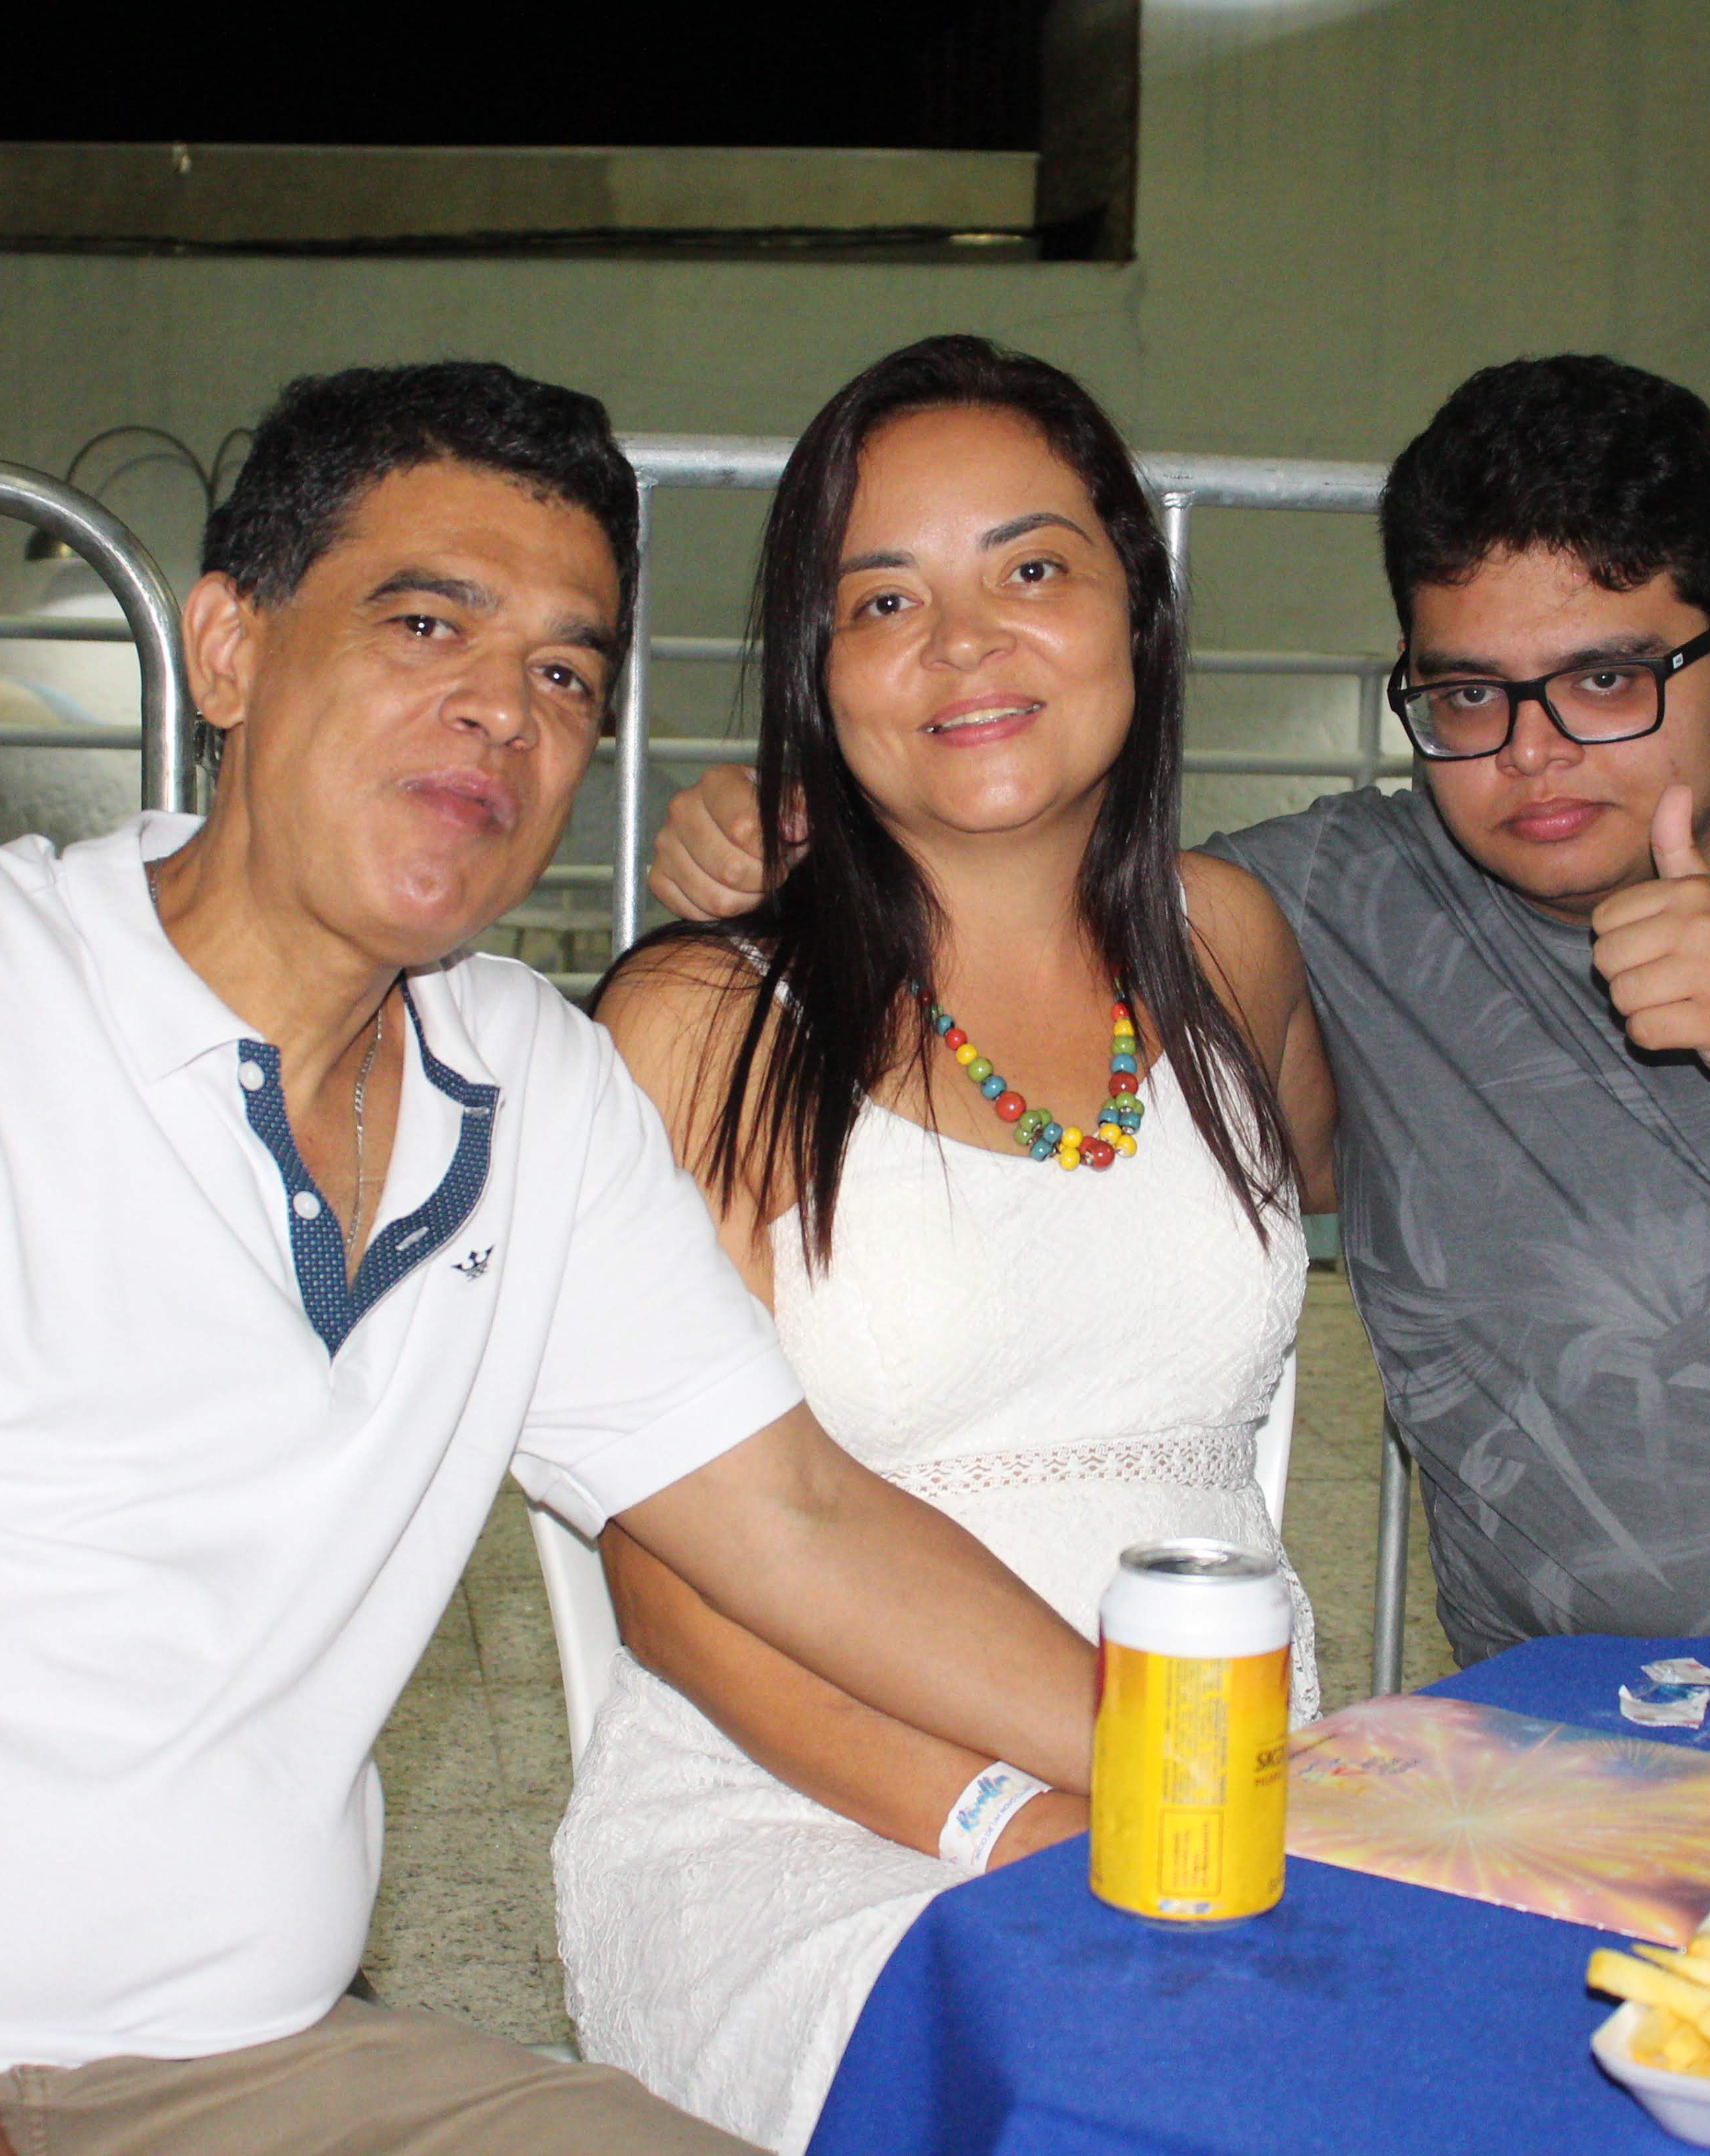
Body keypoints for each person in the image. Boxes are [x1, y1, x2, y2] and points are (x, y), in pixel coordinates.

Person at [0, 362, 1104, 2156]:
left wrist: (1200, 1761)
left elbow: (798, 1518)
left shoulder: (532, 1084)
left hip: (242, 2061)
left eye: (565, 674)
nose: (499, 710)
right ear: (227, 650)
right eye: (425, 623)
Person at [646, 353, 1710, 1670]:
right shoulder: (1326, 906)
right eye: (1467, 694)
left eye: (1605, 680)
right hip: (1585, 1743)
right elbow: (1025, 900)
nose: (1531, 754)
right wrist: (784, 836)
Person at [551, 335, 1327, 2151]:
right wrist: (1015, 1819)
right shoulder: (701, 1024)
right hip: (831, 1813)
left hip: (1242, 1780)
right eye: (883, 599)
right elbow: (672, 1585)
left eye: (1030, 568)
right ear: (817, 674)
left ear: (1137, 607)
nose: (964, 644)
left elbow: (1272, 1195)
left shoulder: (1227, 944)